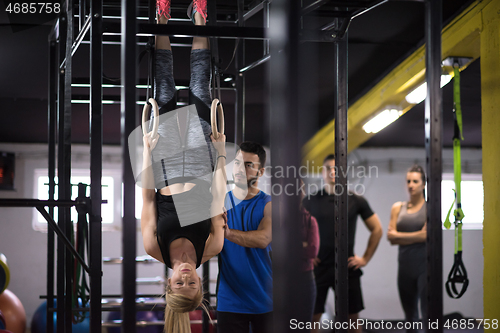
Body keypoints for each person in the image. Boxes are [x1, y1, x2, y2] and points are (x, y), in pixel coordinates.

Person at [139, 2, 227, 333]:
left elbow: (148, 200)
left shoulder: (154, 246)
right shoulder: (212, 246)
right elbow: (218, 198)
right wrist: (220, 154)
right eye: (192, 286)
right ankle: (200, 13)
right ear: (201, 287)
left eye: (179, 285)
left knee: (164, 88)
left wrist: (147, 152)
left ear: (169, 282)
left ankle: (162, 15)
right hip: (202, 160)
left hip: (166, 161)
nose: (186, 279)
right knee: (198, 87)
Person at [302, 154, 383, 333]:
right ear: (322, 172)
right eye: (328, 168)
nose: (332, 172)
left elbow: (377, 229)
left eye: (336, 169)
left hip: (347, 267)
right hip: (319, 267)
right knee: (312, 319)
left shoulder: (356, 200)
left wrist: (365, 259)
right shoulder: (310, 200)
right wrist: (306, 253)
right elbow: (293, 230)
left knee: (352, 320)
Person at [216, 142, 273, 333]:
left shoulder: (269, 204)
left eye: (249, 165)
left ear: (261, 171)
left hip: (264, 299)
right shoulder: (220, 202)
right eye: (239, 163)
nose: (241, 169)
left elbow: (264, 238)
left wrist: (228, 233)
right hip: (229, 300)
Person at [387, 165, 427, 332]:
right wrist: (416, 235)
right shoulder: (398, 207)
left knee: (428, 314)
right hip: (404, 267)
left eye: (415, 181)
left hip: (425, 266)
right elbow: (390, 237)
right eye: (408, 181)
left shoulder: (430, 207)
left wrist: (400, 236)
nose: (411, 184)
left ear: (423, 184)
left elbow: (427, 236)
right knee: (410, 317)